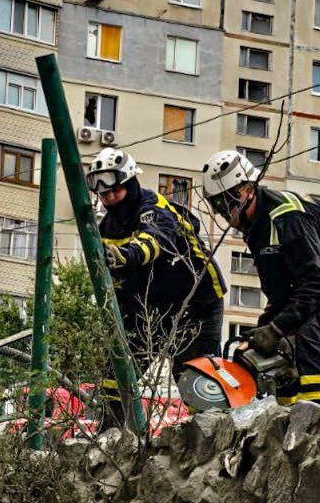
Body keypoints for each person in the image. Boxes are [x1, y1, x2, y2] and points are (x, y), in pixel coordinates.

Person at [200, 150, 320, 405]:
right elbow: (279, 294)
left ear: (247, 189)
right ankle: (286, 416)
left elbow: (315, 282)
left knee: (313, 336)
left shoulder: (287, 217)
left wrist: (276, 329)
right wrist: (259, 334)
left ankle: (318, 415)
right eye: (217, 204)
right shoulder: (256, 228)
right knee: (283, 347)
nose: (223, 211)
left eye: (226, 201)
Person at [88, 147, 225, 425]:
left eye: (115, 190)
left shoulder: (154, 208)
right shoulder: (106, 229)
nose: (110, 198)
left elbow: (155, 240)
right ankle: (111, 434)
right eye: (104, 194)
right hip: (148, 308)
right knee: (117, 371)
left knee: (196, 380)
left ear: (130, 183)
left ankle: (213, 434)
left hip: (195, 304)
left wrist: (126, 255)